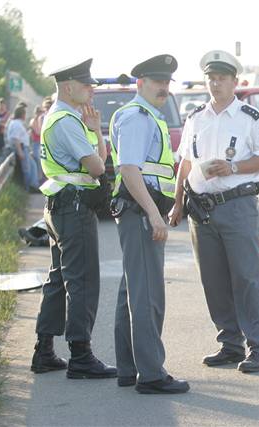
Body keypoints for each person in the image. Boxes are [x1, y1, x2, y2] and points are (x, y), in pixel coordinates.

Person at [169, 50, 259, 373]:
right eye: (211, 78)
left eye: (222, 78)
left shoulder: (250, 118)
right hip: (201, 209)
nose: (215, 83)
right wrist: (176, 203)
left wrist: (233, 167)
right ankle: (230, 343)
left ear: (234, 82)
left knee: (246, 277)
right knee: (212, 279)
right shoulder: (196, 118)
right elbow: (185, 163)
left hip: (237, 205)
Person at [109, 54, 189, 394]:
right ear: (140, 83)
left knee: (133, 291)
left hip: (138, 212)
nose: (163, 87)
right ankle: (152, 374)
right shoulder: (138, 117)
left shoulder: (146, 116)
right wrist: (155, 215)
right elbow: (130, 169)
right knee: (147, 296)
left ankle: (130, 368)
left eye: (167, 82)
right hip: (141, 213)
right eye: (157, 81)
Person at [31, 58, 116, 380]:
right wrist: (94, 137)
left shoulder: (60, 117)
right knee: (81, 281)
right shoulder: (66, 120)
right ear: (68, 87)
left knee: (58, 280)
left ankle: (44, 351)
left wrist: (95, 130)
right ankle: (81, 356)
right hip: (74, 208)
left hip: (58, 206)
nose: (91, 89)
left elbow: (99, 159)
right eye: (86, 84)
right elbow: (97, 167)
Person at [6, 105, 39, 192]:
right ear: (22, 114)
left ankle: (33, 185)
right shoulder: (16, 124)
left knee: (33, 166)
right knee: (27, 169)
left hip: (24, 147)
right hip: (21, 148)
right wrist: (20, 152)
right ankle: (28, 189)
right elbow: (16, 139)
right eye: (25, 113)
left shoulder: (17, 123)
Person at [29, 105, 44, 182]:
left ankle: (40, 179)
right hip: (36, 143)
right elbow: (38, 132)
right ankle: (39, 179)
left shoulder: (39, 120)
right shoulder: (34, 121)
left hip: (39, 143)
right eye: (40, 112)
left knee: (41, 162)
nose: (41, 114)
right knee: (38, 161)